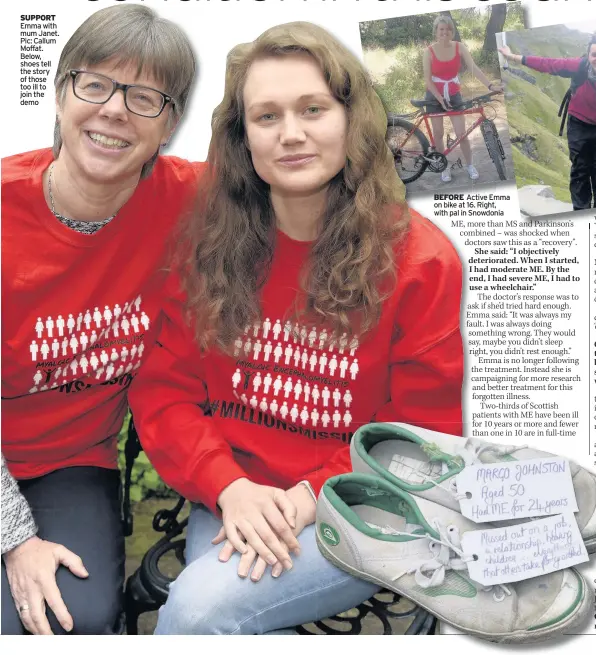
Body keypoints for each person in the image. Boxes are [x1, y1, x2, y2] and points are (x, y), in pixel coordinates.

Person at [127, 21, 464, 634]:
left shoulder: (420, 261)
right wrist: (228, 486)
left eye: (313, 109)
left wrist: (309, 494)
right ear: (243, 137)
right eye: (267, 117)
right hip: (236, 493)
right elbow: (163, 392)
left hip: (360, 507)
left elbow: (420, 437)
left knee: (202, 611)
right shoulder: (208, 246)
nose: (292, 134)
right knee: (210, 609)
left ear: (351, 120)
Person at [1, 5, 197, 634]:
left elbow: (309, 179)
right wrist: (17, 540)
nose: (115, 109)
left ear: (168, 124)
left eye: (146, 97)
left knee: (69, 621)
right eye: (95, 84)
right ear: (61, 95)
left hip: (70, 460)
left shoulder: (190, 200)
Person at [500, 34, 596, 210]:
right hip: (578, 125)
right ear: (588, 55)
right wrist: (513, 57)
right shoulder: (578, 66)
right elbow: (548, 64)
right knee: (580, 171)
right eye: (594, 55)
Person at [424, 15, 503, 182]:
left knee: (462, 134)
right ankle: (444, 166)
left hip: (453, 93)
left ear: (452, 31)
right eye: (441, 29)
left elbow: (473, 68)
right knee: (438, 133)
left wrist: (490, 86)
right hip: (434, 96)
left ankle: (469, 165)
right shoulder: (428, 52)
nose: (445, 32)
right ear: (436, 32)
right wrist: (439, 99)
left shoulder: (460, 47)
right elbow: (428, 80)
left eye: (448, 29)